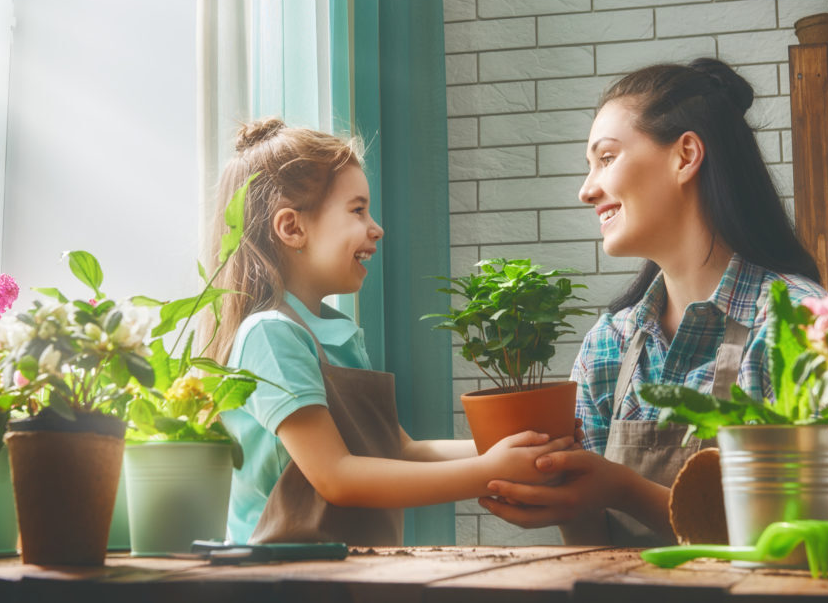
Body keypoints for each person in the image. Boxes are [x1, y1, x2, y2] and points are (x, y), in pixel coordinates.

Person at [479, 58, 826, 546]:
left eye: (606, 158)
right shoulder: (610, 344)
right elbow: (592, 549)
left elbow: (809, 529)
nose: (586, 190)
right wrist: (562, 495)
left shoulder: (799, 322)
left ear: (685, 156)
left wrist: (624, 489)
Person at [205, 118, 573, 546]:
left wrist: (529, 449)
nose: (376, 227)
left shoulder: (337, 335)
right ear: (292, 227)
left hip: (348, 572)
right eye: (358, 210)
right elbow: (337, 476)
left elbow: (400, 450)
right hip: (277, 580)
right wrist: (491, 470)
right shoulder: (269, 335)